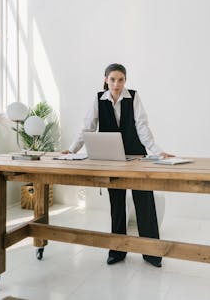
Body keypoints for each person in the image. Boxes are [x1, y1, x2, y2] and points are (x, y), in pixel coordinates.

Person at [62, 63, 173, 267]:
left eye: (120, 79)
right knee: (117, 204)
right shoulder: (98, 99)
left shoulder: (133, 97)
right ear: (106, 79)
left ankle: (152, 253)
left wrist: (158, 151)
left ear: (125, 81)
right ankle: (117, 251)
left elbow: (143, 128)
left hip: (136, 156)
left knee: (145, 202)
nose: (116, 84)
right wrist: (71, 150)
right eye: (112, 79)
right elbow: (87, 127)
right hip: (112, 158)